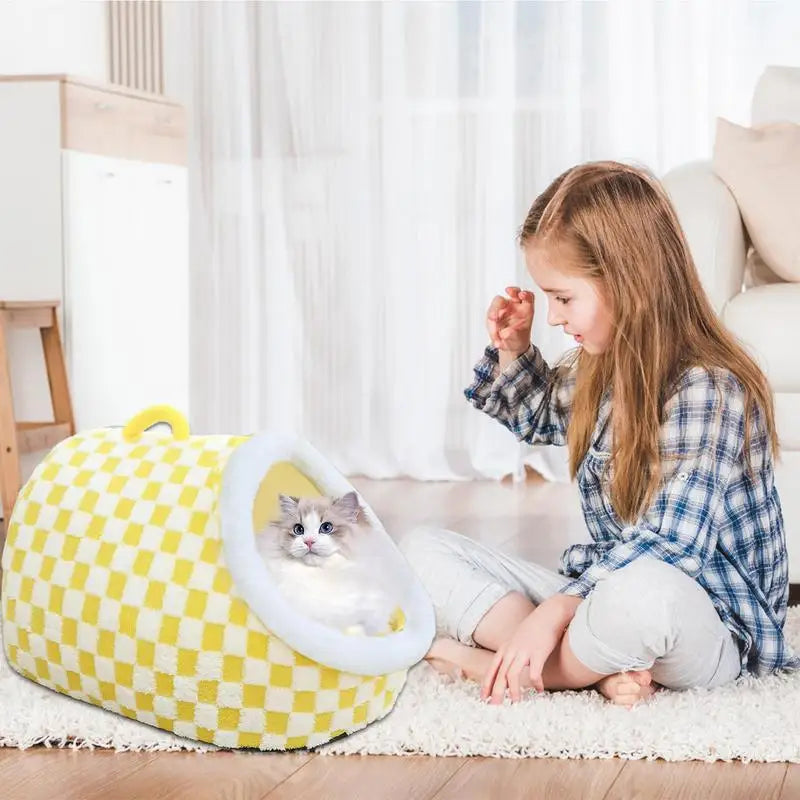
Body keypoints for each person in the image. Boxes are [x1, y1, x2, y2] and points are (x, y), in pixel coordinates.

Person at [399, 161, 799, 708]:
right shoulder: (600, 366)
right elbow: (540, 414)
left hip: (704, 621)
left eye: (564, 298)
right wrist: (514, 350)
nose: (556, 318)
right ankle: (596, 668)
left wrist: (554, 611)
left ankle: (492, 662)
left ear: (627, 280)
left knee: (644, 599)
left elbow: (671, 549)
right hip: (602, 594)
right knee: (421, 550)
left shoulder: (711, 388)